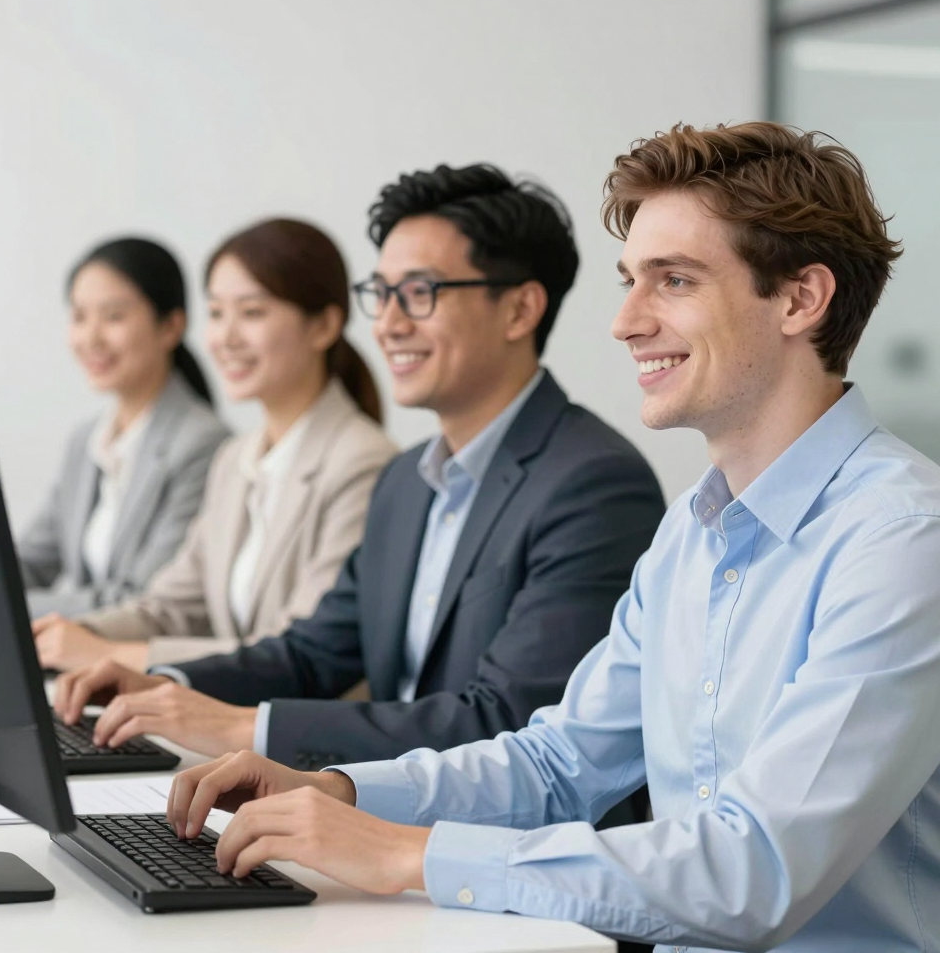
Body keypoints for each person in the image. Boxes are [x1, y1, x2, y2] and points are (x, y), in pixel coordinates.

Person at [160, 124, 940, 953]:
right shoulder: (692, 531)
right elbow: (558, 764)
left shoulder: (901, 543)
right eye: (630, 281)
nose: (625, 321)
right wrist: (343, 792)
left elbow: (755, 871)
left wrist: (407, 854)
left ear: (799, 299)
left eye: (673, 280)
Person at [54, 163, 665, 782]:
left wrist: (242, 729)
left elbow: (506, 721)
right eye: (382, 293)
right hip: (377, 814)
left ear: (519, 310)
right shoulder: (406, 481)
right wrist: (164, 684)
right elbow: (314, 653)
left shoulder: (593, 485)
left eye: (421, 293)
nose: (388, 324)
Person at [33, 219, 397, 671]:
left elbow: (298, 652)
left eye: (252, 313)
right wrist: (72, 635)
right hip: (213, 722)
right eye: (218, 313)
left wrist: (113, 655)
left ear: (323, 326)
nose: (225, 338)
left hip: (289, 734)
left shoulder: (363, 463)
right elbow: (171, 607)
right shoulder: (236, 459)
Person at [18, 238, 230, 619]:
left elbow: (143, 600)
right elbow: (31, 562)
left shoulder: (203, 445)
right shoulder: (86, 441)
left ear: (171, 327)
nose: (91, 337)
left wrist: (9, 608)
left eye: (113, 317)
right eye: (79, 317)